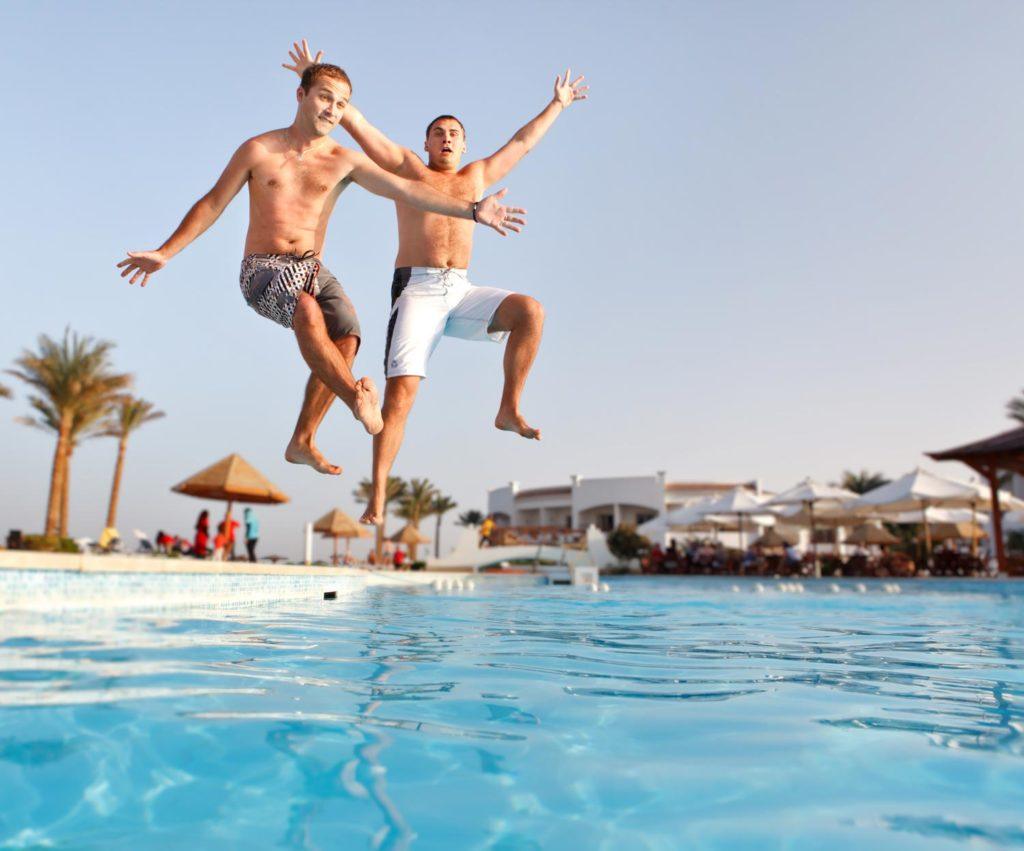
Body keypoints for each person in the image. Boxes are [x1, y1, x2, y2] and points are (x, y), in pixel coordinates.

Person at [118, 56, 526, 478]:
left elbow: (410, 190)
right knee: (307, 311)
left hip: (312, 269)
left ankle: (302, 439)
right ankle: (357, 400)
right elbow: (212, 203)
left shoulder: (344, 160)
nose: (332, 110)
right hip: (262, 268)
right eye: (324, 98)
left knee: (347, 337)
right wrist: (166, 252)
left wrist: (473, 210)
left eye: (341, 103)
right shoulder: (259, 150)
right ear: (301, 95)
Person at [281, 43, 586, 527]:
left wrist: (558, 104)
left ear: (464, 145)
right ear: (425, 143)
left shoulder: (477, 176)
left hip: (461, 291)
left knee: (530, 311)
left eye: (454, 134)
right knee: (400, 399)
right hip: (417, 292)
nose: (447, 139)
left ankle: (508, 408)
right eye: (438, 133)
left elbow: (522, 143)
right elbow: (359, 126)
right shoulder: (409, 169)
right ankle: (379, 494)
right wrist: (313, 74)